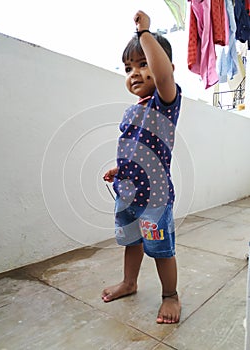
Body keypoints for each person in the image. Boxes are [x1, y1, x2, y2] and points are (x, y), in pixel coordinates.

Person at [102, 10, 182, 324]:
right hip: (127, 193)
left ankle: (170, 295)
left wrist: (145, 34)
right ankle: (129, 282)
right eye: (128, 68)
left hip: (155, 197)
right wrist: (118, 170)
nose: (134, 73)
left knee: (161, 248)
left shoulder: (165, 101)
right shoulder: (130, 111)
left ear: (166, 69)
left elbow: (162, 77)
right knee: (131, 242)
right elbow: (134, 151)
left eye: (143, 64)